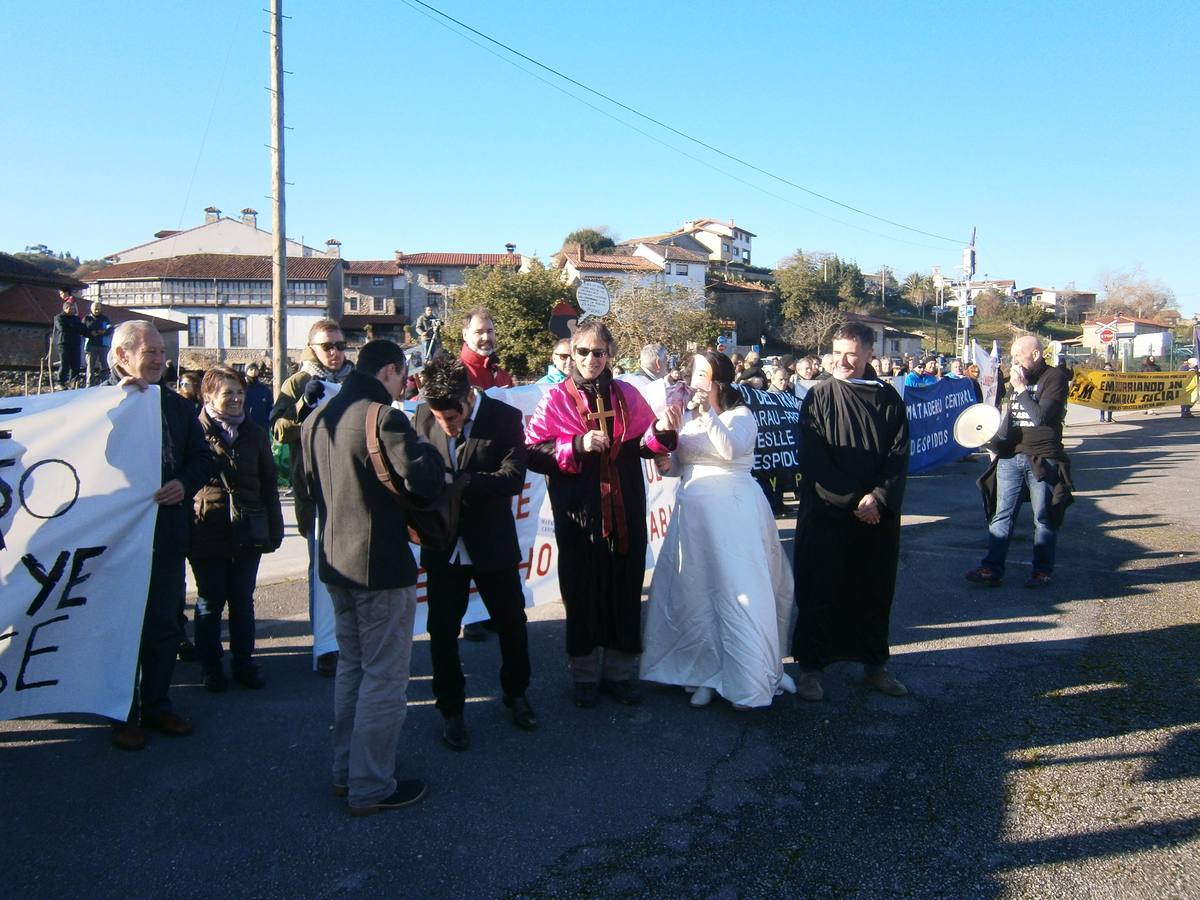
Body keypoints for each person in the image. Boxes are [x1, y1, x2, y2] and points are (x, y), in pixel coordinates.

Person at [300, 339, 445, 815]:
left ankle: (347, 774)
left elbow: (306, 498)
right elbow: (423, 481)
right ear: (389, 371)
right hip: (380, 566)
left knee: (353, 669)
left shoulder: (316, 418)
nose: (405, 383)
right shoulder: (383, 417)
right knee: (384, 678)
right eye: (403, 374)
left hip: (334, 562)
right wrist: (426, 452)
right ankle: (371, 786)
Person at [525, 321, 680, 707]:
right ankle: (585, 676)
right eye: (582, 352)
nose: (590, 360)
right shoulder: (556, 399)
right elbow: (531, 452)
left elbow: (647, 445)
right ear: (571, 353)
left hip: (626, 508)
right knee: (582, 590)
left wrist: (663, 430)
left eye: (598, 352)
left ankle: (620, 673)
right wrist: (576, 443)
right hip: (580, 513)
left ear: (609, 354)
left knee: (625, 588)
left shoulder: (628, 393)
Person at [641, 351, 796, 709]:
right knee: (696, 592)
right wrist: (667, 460)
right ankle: (703, 671)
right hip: (693, 515)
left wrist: (707, 413)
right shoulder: (690, 419)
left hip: (733, 512)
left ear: (719, 380)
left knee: (737, 590)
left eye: (701, 373)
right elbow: (681, 466)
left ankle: (748, 674)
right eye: (693, 372)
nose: (693, 379)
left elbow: (728, 449)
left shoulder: (741, 416)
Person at [413, 358, 536, 751]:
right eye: (439, 417)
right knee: (442, 633)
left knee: (512, 622)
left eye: (452, 417)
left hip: (491, 540)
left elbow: (514, 477)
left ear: (469, 397)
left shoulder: (503, 417)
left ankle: (516, 693)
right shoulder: (419, 416)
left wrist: (463, 483)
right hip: (443, 545)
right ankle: (451, 710)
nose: (447, 425)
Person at [107, 322, 216, 751]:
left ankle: (157, 703)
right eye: (148, 351)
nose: (158, 359)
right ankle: (122, 713)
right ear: (121, 356)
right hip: (115, 538)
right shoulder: (98, 406)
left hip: (167, 533)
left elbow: (202, 458)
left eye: (160, 352)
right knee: (121, 628)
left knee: (163, 624)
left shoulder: (176, 406)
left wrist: (183, 484)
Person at [791, 321, 910, 702]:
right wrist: (856, 498)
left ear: (869, 355)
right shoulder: (819, 396)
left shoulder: (889, 399)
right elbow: (813, 458)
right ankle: (810, 668)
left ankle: (875, 665)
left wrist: (877, 498)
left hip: (876, 517)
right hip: (827, 513)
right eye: (836, 353)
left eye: (851, 355)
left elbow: (898, 456)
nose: (842, 361)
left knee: (873, 590)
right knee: (819, 589)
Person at [188, 366, 285, 693]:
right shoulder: (194, 431)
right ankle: (211, 667)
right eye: (227, 392)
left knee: (243, 600)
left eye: (239, 392)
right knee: (210, 602)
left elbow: (269, 484)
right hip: (207, 529)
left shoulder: (255, 434)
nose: (236, 399)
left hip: (248, 528)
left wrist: (274, 528)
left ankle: (244, 662)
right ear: (208, 396)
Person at [270, 318, 355, 676]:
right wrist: (304, 407)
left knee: (352, 569)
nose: (335, 352)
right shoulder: (297, 382)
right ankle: (325, 644)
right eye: (327, 346)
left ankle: (349, 639)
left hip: (351, 488)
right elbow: (278, 430)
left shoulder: (355, 380)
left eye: (339, 345)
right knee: (320, 570)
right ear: (312, 348)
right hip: (313, 488)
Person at [966, 334, 1072, 589]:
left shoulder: (1054, 378)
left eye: (1018, 356)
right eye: (1012, 357)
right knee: (1002, 515)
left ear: (1035, 354)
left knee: (1043, 517)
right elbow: (1011, 416)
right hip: (1011, 456)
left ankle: (1041, 571)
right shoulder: (1017, 381)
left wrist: (1024, 389)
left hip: (1042, 458)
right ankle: (992, 568)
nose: (1014, 362)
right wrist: (995, 442)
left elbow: (1041, 417)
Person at [458, 307, 513, 389]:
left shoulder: (503, 376)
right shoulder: (455, 376)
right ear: (465, 335)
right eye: (479, 332)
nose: (486, 337)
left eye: (490, 331)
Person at [53, 296, 84, 387]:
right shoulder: (59, 317)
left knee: (75, 364)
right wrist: (75, 327)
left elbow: (82, 328)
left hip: (75, 343)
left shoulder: (76, 319)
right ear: (65, 308)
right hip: (64, 343)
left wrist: (74, 326)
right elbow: (62, 328)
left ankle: (74, 381)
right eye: (70, 308)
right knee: (64, 363)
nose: (72, 310)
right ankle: (59, 382)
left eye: (73, 309)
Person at [82, 300, 112, 385]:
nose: (97, 310)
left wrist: (103, 332)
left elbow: (110, 329)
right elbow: (82, 330)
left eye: (98, 309)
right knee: (90, 366)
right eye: (95, 309)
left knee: (104, 365)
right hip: (90, 345)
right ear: (91, 309)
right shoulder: (87, 319)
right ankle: (90, 383)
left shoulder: (105, 319)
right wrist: (90, 333)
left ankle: (105, 382)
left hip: (103, 345)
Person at [242, 363, 274, 430]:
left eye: (255, 369)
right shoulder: (242, 389)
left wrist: (267, 421)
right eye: (251, 369)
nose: (253, 371)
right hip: (244, 425)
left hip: (262, 426)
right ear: (246, 371)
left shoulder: (264, 389)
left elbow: (270, 406)